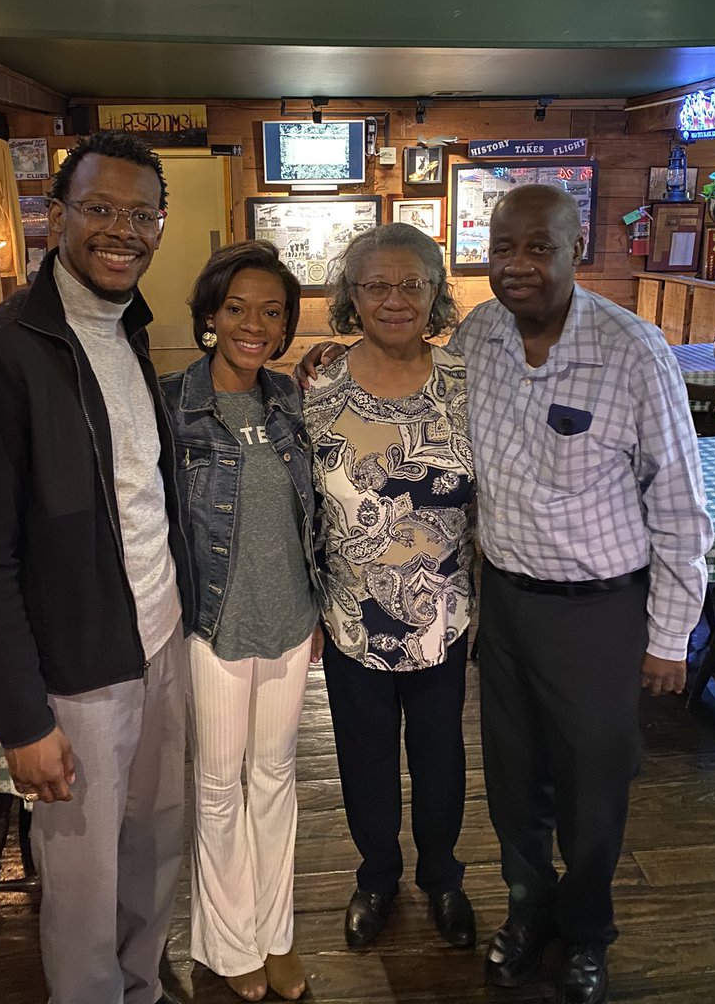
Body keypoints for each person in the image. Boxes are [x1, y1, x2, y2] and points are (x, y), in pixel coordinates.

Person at [298, 187, 713, 1004]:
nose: (519, 264)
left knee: (593, 785)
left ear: (575, 248)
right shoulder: (480, 338)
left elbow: (678, 501)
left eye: (539, 247)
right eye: (503, 248)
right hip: (502, 606)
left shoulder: (631, 350)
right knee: (515, 783)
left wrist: (672, 635)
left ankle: (586, 931)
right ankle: (526, 913)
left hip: (595, 608)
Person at [0, 131, 195, 1004]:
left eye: (141, 214)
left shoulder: (131, 330)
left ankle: (143, 989)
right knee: (84, 889)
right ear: (58, 217)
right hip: (78, 674)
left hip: (161, 640)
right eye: (99, 209)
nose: (122, 230)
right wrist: (23, 721)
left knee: (156, 849)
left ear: (159, 227)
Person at [302, 223, 477, 953]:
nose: (395, 299)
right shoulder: (316, 386)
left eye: (412, 284)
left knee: (441, 756)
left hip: (443, 615)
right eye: (376, 284)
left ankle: (443, 876)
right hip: (351, 617)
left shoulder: (466, 383)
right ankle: (375, 876)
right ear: (352, 295)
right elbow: (301, 505)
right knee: (364, 757)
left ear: (436, 293)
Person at [161, 241, 321, 1004]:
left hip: (289, 619)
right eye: (237, 309)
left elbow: (309, 513)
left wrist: (317, 607)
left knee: (276, 780)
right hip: (213, 625)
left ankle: (275, 933)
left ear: (285, 326)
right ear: (210, 316)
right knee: (220, 788)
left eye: (271, 312)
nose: (254, 325)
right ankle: (228, 945)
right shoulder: (172, 404)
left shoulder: (289, 399)